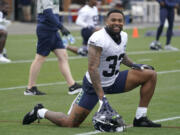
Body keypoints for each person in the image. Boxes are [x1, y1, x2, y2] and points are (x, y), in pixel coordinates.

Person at [22, 9, 161, 130]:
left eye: (120, 20)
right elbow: (93, 69)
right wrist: (102, 98)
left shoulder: (123, 35)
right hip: (94, 86)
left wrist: (133, 65)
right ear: (107, 21)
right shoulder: (98, 38)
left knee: (150, 75)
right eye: (113, 20)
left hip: (114, 80)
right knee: (69, 123)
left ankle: (140, 118)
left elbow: (120, 53)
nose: (117, 23)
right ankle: (40, 111)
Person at [24, 0, 82, 96]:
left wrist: (58, 27)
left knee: (63, 56)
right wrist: (61, 27)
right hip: (46, 30)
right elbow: (48, 13)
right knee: (40, 58)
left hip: (53, 30)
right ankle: (30, 88)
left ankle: (72, 86)